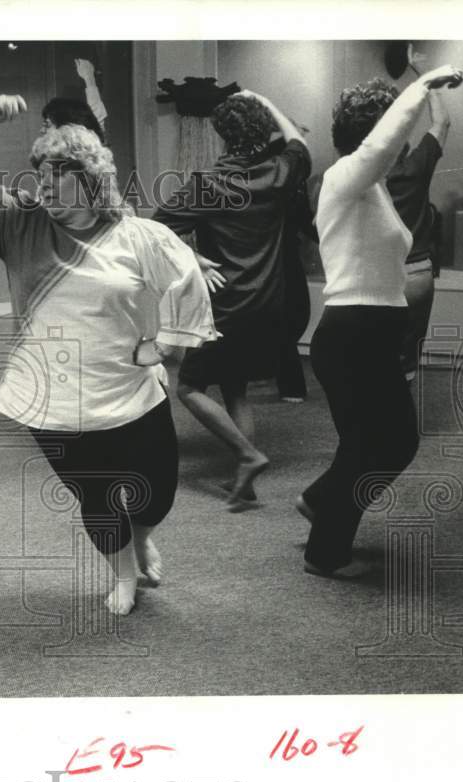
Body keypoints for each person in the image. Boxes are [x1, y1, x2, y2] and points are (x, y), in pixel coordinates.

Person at [0, 94, 220, 615]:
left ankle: (141, 537)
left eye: (59, 175)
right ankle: (122, 573)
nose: (44, 186)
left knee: (156, 494)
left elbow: (188, 281)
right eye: (40, 175)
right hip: (50, 401)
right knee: (96, 498)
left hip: (130, 394)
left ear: (92, 178)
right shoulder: (20, 227)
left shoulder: (138, 236)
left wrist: (164, 345)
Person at [299, 65, 463, 577]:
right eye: (396, 128)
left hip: (367, 334)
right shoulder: (346, 176)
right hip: (353, 335)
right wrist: (423, 84)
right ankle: (324, 551)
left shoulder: (372, 189)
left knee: (373, 443)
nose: (403, 140)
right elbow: (380, 147)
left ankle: (320, 500)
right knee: (388, 443)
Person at [154, 90, 311, 508]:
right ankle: (245, 483)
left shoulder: (210, 183)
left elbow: (156, 229)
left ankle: (248, 454)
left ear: (220, 133)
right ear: (263, 131)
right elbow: (300, 143)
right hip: (269, 302)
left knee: (188, 387)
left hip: (227, 305)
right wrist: (265, 99)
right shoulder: (280, 172)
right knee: (236, 388)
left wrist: (192, 257)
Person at [386, 58, 451, 382]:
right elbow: (442, 122)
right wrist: (427, 78)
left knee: (374, 357)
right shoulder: (415, 168)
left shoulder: (361, 175)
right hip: (417, 275)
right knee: (407, 359)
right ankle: (402, 425)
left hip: (378, 277)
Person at [266, 128, 317, 403]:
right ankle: (291, 385)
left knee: (296, 315)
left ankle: (279, 373)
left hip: (286, 255)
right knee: (289, 318)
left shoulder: (294, 185)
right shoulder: (271, 183)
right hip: (271, 259)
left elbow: (305, 219)